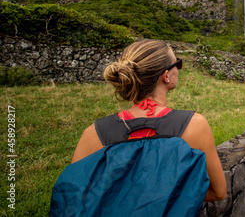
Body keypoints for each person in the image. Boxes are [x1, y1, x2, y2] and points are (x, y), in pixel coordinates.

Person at [70, 39, 227, 203]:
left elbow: (72, 198)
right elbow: (218, 192)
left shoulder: (95, 132)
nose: (178, 69)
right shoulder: (194, 125)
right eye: (177, 64)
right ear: (166, 75)